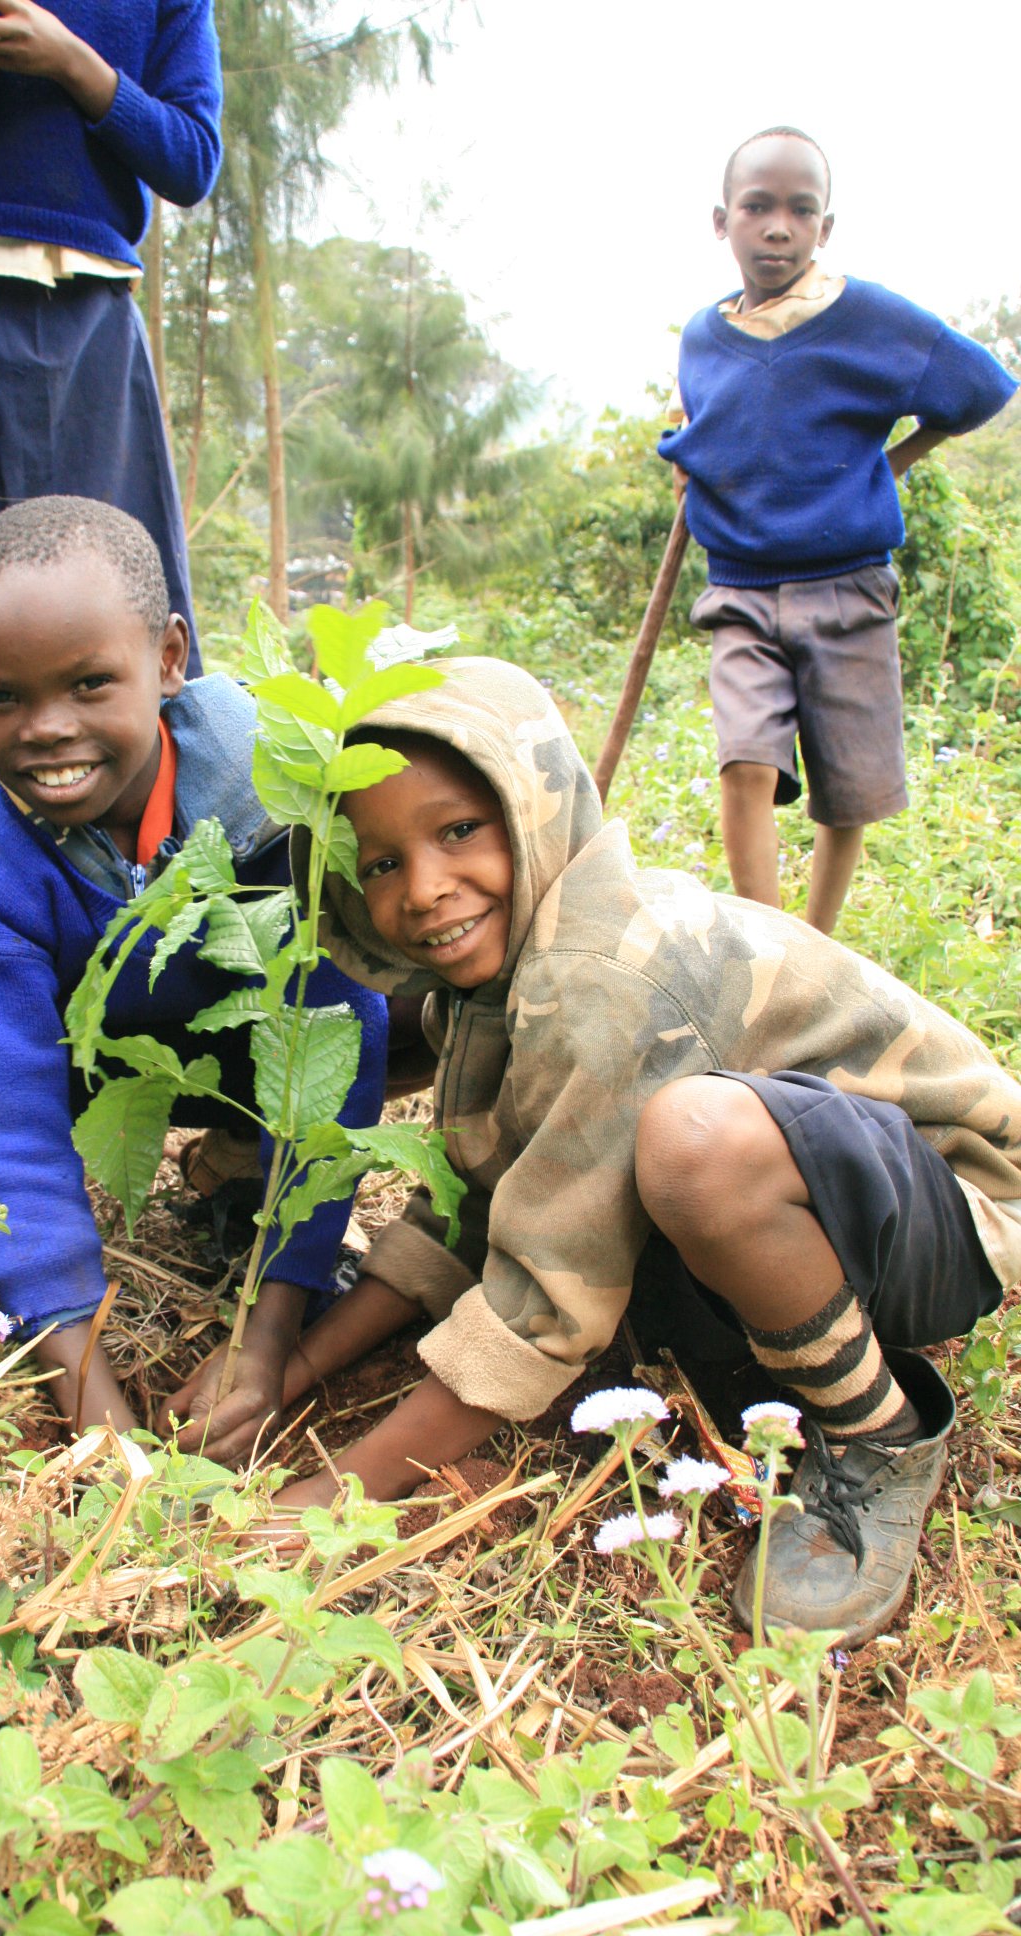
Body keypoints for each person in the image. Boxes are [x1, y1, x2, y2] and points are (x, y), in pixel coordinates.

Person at [247, 656, 1021, 1646]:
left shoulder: (599, 981)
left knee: (695, 1149)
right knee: (665, 1162)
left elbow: (541, 1303)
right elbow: (476, 1208)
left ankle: (880, 1436)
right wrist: (289, 1369)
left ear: (534, 807)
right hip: (840, 1195)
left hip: (961, 1209)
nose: (425, 890)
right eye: (381, 863)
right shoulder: (491, 983)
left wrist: (332, 1499)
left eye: (457, 832)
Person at [0, 496, 387, 1445]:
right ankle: (2, 1224)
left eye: (91, 683)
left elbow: (333, 1048)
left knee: (405, 986)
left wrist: (268, 1337)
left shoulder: (277, 790)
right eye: (0, 697)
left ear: (170, 659)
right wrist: (91, 1401)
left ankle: (241, 1170)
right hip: (81, 1062)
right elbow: (13, 1104)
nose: (45, 730)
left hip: (249, 1060)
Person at [660, 126, 1016, 935]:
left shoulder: (866, 317)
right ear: (723, 222)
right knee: (745, 761)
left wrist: (888, 464)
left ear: (826, 226)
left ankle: (818, 945)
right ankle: (769, 945)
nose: (777, 226)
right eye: (757, 207)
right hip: (741, 589)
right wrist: (683, 450)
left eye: (800, 209)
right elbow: (715, 422)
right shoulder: (702, 336)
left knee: (845, 787)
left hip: (849, 585)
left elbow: (980, 386)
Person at [0, 0, 220, 667]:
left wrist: (71, 61)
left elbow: (192, 161)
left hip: (92, 309)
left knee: (127, 596)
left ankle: (166, 770)